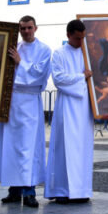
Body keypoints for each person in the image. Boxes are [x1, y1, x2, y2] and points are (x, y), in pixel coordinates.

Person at [0, 15, 51, 207]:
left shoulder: (44, 50)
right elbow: (1, 74)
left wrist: (21, 62)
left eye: (29, 27)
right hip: (11, 101)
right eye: (22, 28)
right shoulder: (13, 47)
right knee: (11, 148)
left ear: (35, 28)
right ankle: (14, 190)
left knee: (28, 148)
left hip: (29, 102)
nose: (26, 31)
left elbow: (40, 75)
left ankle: (29, 191)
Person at [45, 19, 94, 204]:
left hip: (85, 107)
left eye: (83, 38)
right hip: (67, 106)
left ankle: (81, 191)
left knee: (83, 148)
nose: (81, 42)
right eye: (77, 38)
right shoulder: (59, 53)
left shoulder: (88, 54)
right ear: (68, 35)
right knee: (64, 149)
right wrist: (82, 76)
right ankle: (62, 190)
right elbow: (59, 79)